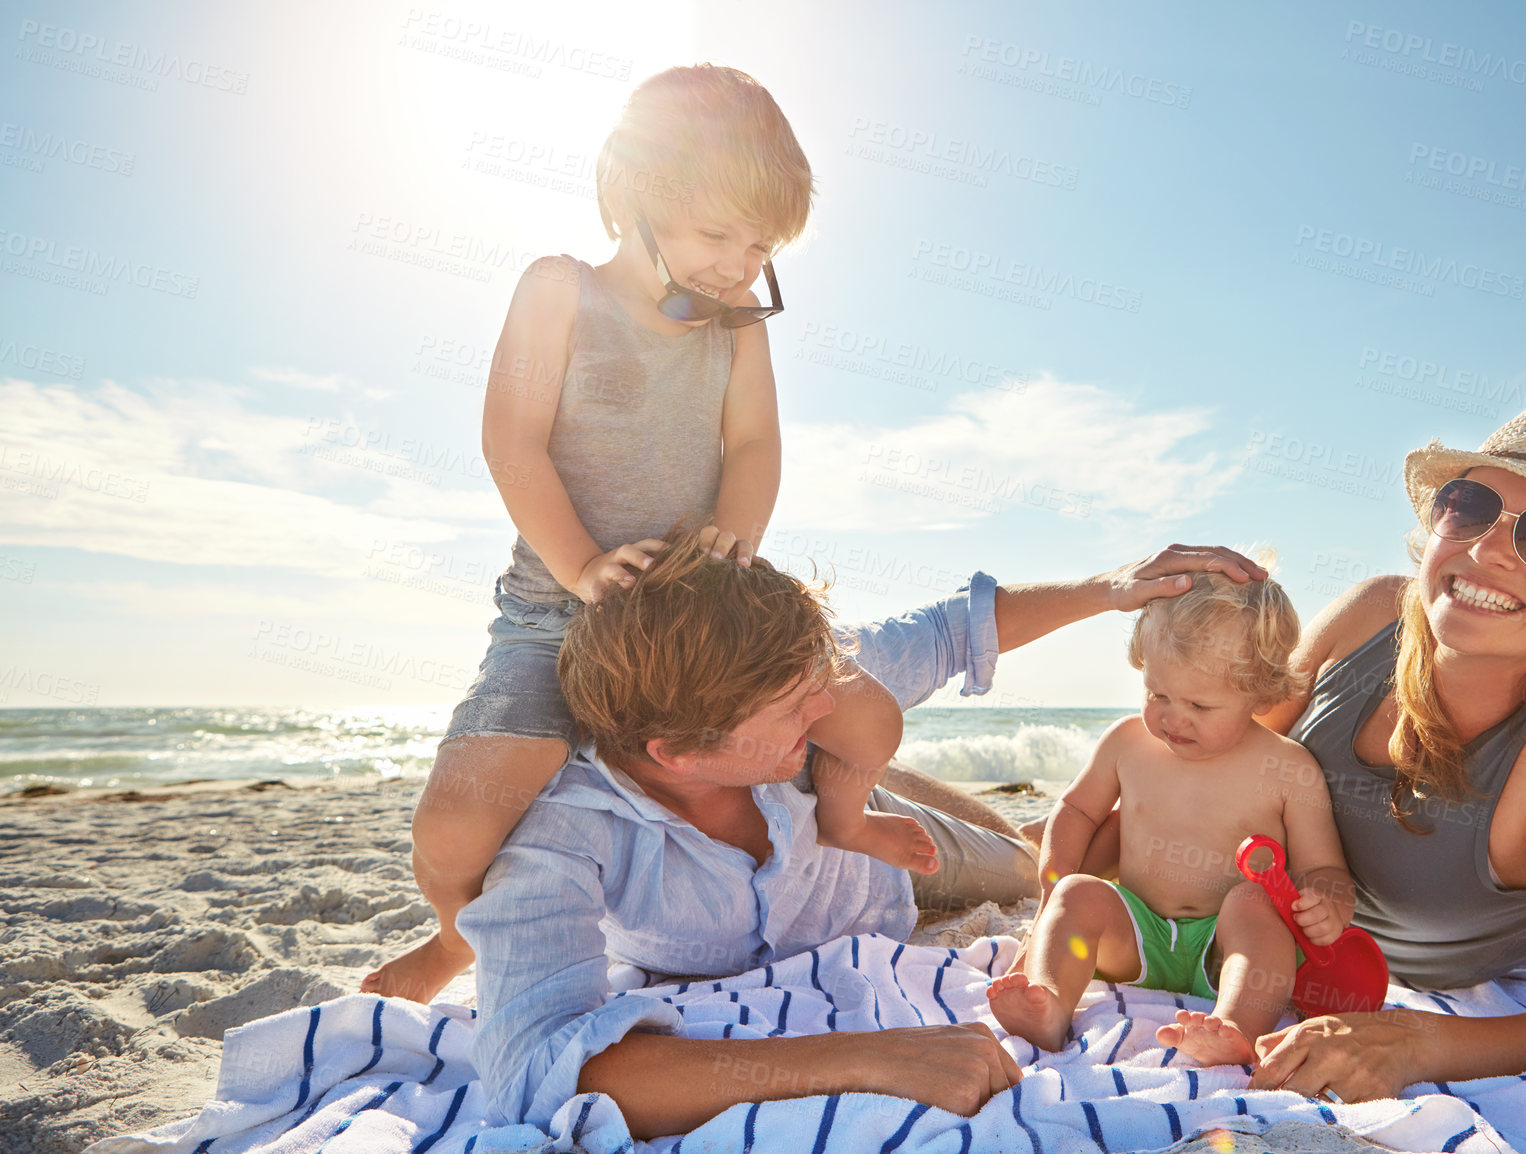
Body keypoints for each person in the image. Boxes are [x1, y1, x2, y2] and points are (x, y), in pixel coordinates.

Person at [363, 65, 927, 1001]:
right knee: (457, 827)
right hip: (561, 607)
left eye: (761, 246)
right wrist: (583, 566)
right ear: (637, 199)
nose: (741, 267)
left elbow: (752, 445)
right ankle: (461, 937)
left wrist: (730, 547)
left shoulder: (739, 325)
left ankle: (843, 822)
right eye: (718, 236)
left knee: (866, 717)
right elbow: (513, 439)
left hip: (705, 594)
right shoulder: (558, 290)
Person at [458, 530, 1257, 1137]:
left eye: (820, 690)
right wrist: (868, 1057)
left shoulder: (802, 680)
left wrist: (1113, 587)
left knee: (1022, 868)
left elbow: (953, 629)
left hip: (889, 858)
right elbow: (533, 1070)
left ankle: (1006, 821)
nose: (824, 709)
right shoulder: (559, 832)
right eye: (794, 710)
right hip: (859, 848)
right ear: (679, 753)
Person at [1120, 385, 1526, 1101]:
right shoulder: (1371, 615)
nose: (1489, 548)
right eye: (1469, 507)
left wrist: (1414, 1040)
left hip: (1392, 982)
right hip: (1222, 920)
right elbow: (1224, 744)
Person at [988, 573, 1354, 1061]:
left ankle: (1235, 1027)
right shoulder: (1127, 744)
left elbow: (1324, 868)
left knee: (1253, 900)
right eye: (1157, 694)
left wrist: (1328, 906)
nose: (1172, 718)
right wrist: (1055, 876)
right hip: (1135, 935)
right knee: (1078, 893)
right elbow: (1076, 808)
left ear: (1263, 696)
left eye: (1199, 705)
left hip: (1227, 948)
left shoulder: (1287, 768)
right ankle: (1050, 1004)